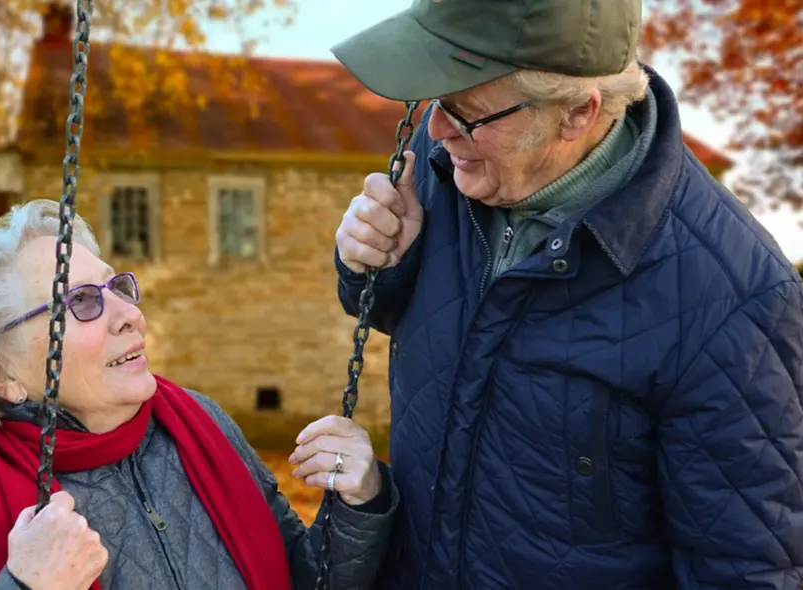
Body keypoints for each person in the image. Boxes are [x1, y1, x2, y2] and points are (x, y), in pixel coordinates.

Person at [330, 0, 803, 588]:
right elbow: (411, 317)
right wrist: (374, 265)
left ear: (578, 113)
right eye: (434, 101)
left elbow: (745, 569)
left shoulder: (736, 299)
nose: (437, 130)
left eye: (466, 113)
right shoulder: (445, 168)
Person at [0, 199, 398, 590]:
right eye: (81, 302)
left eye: (117, 288)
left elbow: (304, 578)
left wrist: (357, 503)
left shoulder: (201, 426)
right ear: (1, 372)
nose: (129, 315)